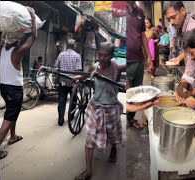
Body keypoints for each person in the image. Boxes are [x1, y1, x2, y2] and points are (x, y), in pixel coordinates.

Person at [74, 42, 126, 180]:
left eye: (106, 55)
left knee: (113, 134)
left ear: (111, 56)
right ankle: (88, 171)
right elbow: (85, 76)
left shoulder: (117, 68)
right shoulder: (94, 67)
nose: (102, 58)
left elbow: (129, 65)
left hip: (111, 108)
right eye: (100, 54)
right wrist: (78, 78)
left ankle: (114, 149)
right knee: (89, 139)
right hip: (95, 108)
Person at [163, 1, 195, 132]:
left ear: (182, 10)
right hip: (193, 82)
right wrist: (179, 58)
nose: (171, 22)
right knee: (194, 115)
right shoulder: (182, 27)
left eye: (173, 17)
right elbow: (188, 51)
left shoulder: (194, 27)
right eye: (168, 19)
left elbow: (194, 60)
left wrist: (184, 82)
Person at [0, 7, 37, 160]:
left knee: (12, 112)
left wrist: (3, 29)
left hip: (3, 86)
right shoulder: (18, 52)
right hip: (14, 89)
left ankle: (13, 136)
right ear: (17, 40)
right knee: (8, 118)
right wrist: (33, 17)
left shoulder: (1, 50)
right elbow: (33, 37)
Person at [126, 1, 153, 129]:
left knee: (135, 91)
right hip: (124, 60)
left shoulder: (140, 12)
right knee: (123, 90)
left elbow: (142, 35)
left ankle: (131, 119)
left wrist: (148, 56)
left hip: (138, 59)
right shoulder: (118, 9)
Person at [54, 39, 82, 126]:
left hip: (62, 82)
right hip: (73, 82)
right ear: (74, 46)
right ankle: (71, 117)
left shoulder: (61, 55)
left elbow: (56, 68)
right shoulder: (77, 56)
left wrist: (57, 78)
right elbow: (78, 70)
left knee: (62, 100)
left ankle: (60, 120)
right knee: (73, 100)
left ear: (67, 46)